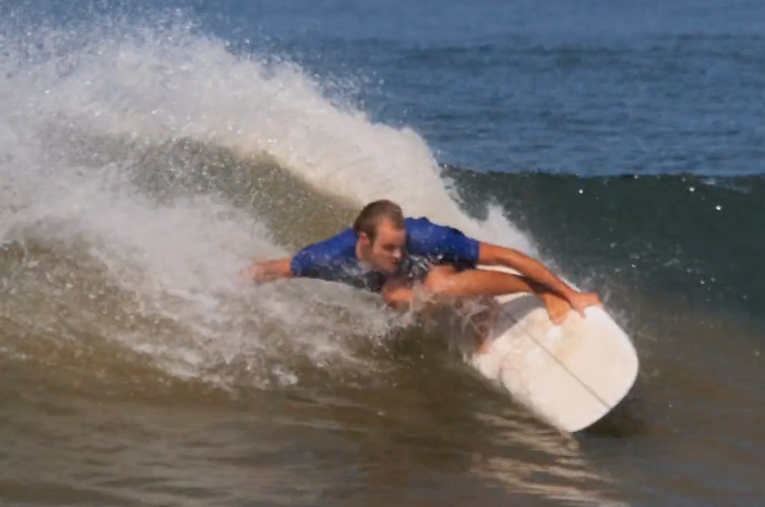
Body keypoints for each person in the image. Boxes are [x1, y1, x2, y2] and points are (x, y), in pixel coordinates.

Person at [241, 199, 602, 331]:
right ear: (362, 239)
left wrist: (566, 293)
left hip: (442, 267)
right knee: (394, 297)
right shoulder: (328, 256)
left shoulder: (427, 237)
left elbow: (507, 256)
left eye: (400, 246)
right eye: (388, 248)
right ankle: (471, 309)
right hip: (403, 286)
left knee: (438, 286)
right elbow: (277, 269)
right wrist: (233, 281)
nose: (397, 254)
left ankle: (535, 290)